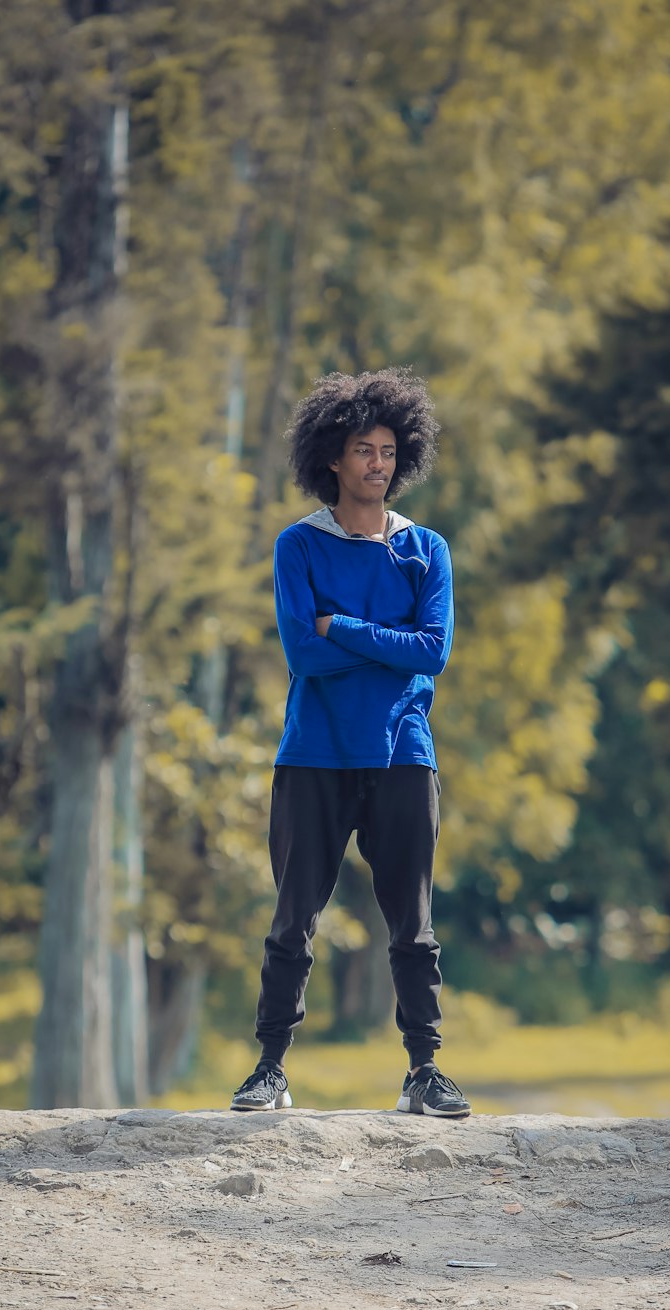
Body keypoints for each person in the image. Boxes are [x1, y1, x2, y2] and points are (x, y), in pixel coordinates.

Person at [230, 367, 471, 1119]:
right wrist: (381, 643)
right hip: (315, 755)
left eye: (389, 451)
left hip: (403, 752)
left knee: (414, 923)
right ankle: (269, 1070)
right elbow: (305, 655)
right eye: (364, 449)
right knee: (293, 918)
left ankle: (424, 1071)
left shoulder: (426, 550)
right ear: (332, 456)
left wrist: (346, 626)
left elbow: (432, 651)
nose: (378, 463)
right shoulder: (298, 547)